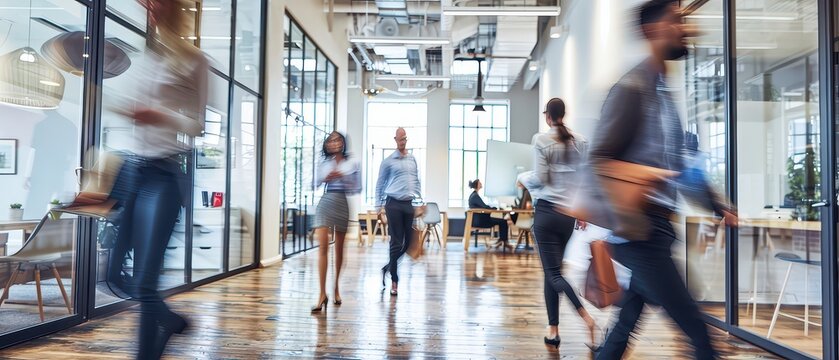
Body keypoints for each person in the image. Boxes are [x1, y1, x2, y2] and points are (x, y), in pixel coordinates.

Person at [587, 1, 737, 358]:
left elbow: (682, 164)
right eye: (676, 21)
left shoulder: (661, 92)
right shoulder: (632, 88)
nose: (685, 27)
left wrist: (717, 204)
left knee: (624, 328)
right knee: (698, 332)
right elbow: (597, 159)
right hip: (638, 232)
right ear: (651, 30)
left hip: (656, 230)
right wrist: (646, 174)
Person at [106, 0, 209, 358]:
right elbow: (125, 106)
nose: (153, 10)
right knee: (115, 276)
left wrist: (160, 116)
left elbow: (197, 125)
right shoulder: (145, 58)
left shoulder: (195, 60)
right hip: (131, 171)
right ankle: (171, 322)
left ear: (177, 8)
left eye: (160, 3)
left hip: (164, 175)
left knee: (146, 282)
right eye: (149, 5)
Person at [530, 98, 598, 350]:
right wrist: (581, 210)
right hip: (568, 216)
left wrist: (522, 178)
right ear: (564, 114)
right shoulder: (580, 142)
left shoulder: (541, 140)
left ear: (548, 116)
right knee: (552, 273)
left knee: (554, 274)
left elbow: (540, 178)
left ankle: (587, 318)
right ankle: (553, 330)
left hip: (547, 213)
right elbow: (584, 180)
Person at [311, 131, 360, 312]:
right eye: (331, 140)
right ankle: (322, 294)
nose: (334, 142)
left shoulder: (352, 162)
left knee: (339, 249)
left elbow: (357, 187)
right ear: (327, 144)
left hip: (342, 202)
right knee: (323, 247)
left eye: (338, 139)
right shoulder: (323, 163)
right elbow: (313, 184)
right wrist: (326, 177)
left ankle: (336, 287)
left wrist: (343, 177)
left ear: (343, 143)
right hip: (326, 200)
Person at [376, 127, 422, 296]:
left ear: (406, 140)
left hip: (408, 204)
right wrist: (377, 207)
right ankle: (394, 280)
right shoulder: (388, 161)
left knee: (409, 243)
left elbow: (416, 181)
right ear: (395, 139)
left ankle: (387, 268)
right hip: (393, 204)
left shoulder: (412, 160)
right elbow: (380, 184)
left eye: (405, 139)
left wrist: (419, 200)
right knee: (396, 242)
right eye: (400, 139)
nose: (402, 142)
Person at [467, 179, 509, 249]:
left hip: (478, 220)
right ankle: (503, 241)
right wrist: (494, 208)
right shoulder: (475, 196)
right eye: (480, 183)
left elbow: (484, 207)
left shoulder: (473, 195)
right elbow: (485, 207)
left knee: (502, 221)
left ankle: (502, 240)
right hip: (481, 221)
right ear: (477, 185)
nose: (481, 184)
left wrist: (492, 208)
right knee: (503, 221)